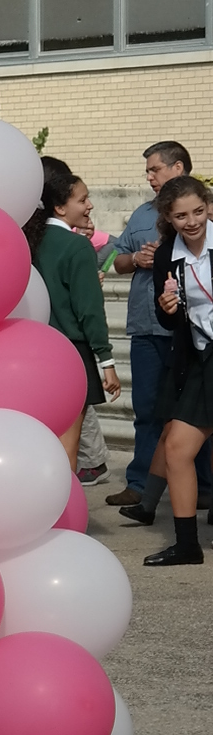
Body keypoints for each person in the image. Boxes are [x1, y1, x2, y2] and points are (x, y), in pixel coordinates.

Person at [110, 139, 211, 523]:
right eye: (180, 216)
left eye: (155, 168)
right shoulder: (149, 225)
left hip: (198, 347)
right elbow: (113, 261)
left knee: (186, 426)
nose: (149, 176)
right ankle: (145, 495)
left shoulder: (204, 230)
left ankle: (198, 493)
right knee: (160, 417)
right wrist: (136, 261)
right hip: (166, 338)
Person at [28, 158, 120, 479]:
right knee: (67, 446)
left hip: (35, 349)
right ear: (60, 207)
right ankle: (64, 504)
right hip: (71, 353)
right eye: (82, 199)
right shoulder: (77, 246)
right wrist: (106, 361)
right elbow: (89, 310)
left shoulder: (31, 240)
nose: (89, 205)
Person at [144, 172, 213, 569]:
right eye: (181, 215)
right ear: (168, 217)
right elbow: (167, 319)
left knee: (178, 447)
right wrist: (168, 309)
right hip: (199, 357)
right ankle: (187, 544)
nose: (192, 222)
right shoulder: (167, 255)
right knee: (176, 448)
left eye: (198, 212)